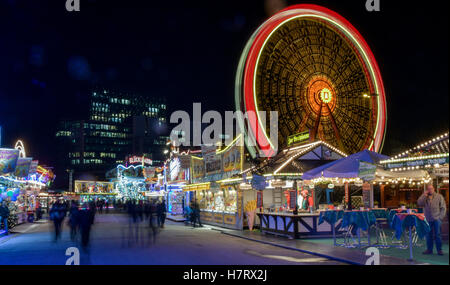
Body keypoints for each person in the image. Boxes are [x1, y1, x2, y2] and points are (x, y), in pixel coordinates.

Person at [418, 184, 446, 255]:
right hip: (428, 218)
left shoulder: (439, 196)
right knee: (428, 234)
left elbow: (443, 208)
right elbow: (419, 203)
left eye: (431, 188)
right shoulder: (425, 197)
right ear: (427, 190)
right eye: (429, 189)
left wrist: (440, 217)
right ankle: (429, 250)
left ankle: (439, 250)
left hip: (437, 218)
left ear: (434, 189)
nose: (430, 190)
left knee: (438, 235)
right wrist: (424, 195)